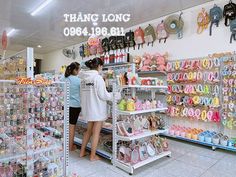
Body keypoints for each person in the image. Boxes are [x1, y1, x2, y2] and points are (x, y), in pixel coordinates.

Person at [79, 57, 113, 161]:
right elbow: (103, 95)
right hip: (97, 110)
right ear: (99, 66)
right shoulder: (98, 78)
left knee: (88, 131)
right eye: (102, 66)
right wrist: (114, 95)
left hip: (88, 109)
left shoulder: (84, 79)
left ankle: (81, 152)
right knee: (96, 133)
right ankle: (92, 156)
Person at [64, 62, 81, 151]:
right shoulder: (78, 80)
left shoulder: (64, 78)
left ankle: (65, 145)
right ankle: (70, 147)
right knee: (72, 127)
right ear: (75, 70)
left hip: (65, 105)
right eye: (79, 69)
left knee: (65, 126)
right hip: (75, 106)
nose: (79, 71)